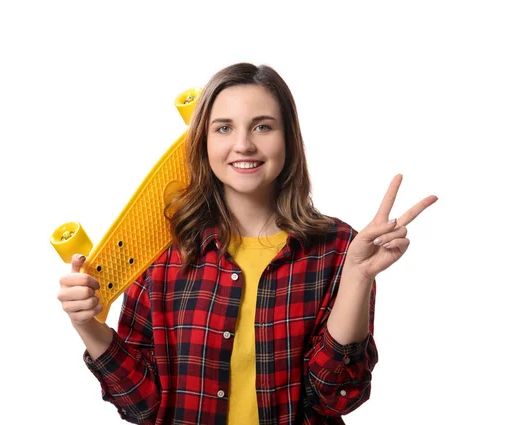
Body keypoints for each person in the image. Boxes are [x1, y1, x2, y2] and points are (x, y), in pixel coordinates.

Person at [57, 62, 438, 425]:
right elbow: (142, 405)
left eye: (262, 127)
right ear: (202, 141)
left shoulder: (339, 249)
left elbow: (337, 396)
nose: (243, 145)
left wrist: (356, 278)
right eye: (223, 128)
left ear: (288, 138)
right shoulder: (163, 253)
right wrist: (86, 324)